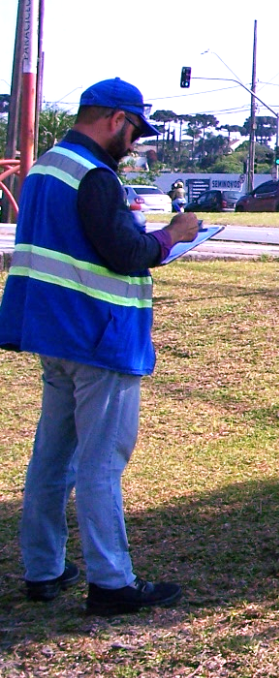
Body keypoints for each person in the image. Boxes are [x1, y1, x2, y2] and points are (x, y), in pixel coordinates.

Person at [0, 78, 201, 614]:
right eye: (134, 131)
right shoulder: (94, 174)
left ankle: (43, 569)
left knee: (52, 457)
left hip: (54, 332)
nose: (133, 143)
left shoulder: (46, 166)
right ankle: (111, 582)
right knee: (101, 461)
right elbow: (125, 252)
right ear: (116, 119)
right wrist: (174, 234)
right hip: (100, 333)